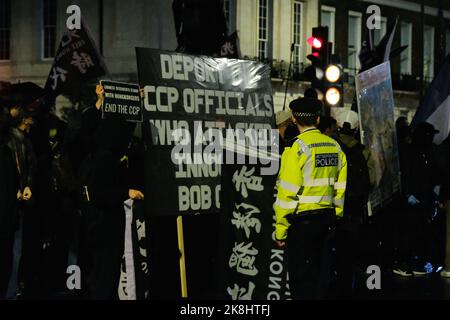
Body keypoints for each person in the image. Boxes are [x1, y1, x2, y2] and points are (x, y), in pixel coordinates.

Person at [273, 97, 347, 300]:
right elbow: (340, 189)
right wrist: (336, 215)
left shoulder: (295, 148)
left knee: (301, 281)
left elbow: (286, 193)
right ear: (317, 118)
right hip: (327, 221)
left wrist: (281, 230)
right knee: (321, 280)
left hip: (302, 226)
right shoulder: (335, 147)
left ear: (294, 120)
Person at [331, 108, 374, 297]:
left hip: (334, 206)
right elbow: (372, 178)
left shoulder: (332, 146)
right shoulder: (363, 151)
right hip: (355, 206)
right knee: (351, 248)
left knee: (334, 248)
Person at [397, 122, 440, 276]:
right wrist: (408, 194)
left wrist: (435, 186)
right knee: (410, 232)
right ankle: (405, 263)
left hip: (425, 197)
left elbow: (434, 173)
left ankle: (418, 263)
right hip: (414, 198)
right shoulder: (411, 151)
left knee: (422, 232)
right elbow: (406, 174)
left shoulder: (428, 151)